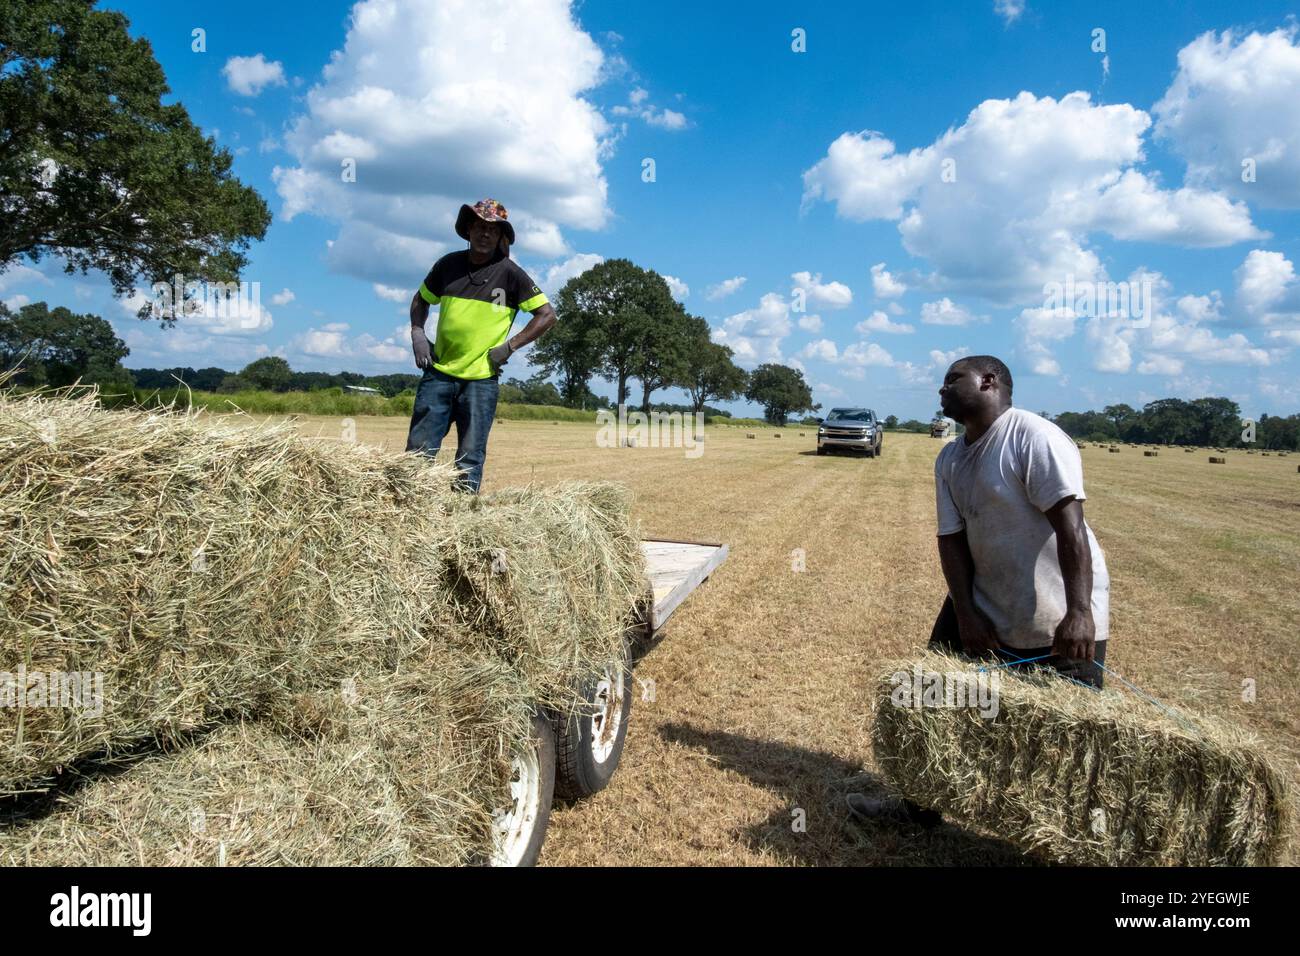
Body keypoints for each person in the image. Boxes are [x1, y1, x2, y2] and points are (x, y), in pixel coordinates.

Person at [848, 355, 1111, 826]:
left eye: (952, 380)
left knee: (1063, 741)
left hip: (1057, 613)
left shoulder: (1034, 437)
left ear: (989, 382)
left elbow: (1072, 530)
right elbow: (950, 539)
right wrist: (965, 613)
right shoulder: (950, 456)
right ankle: (916, 810)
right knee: (929, 699)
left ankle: (1063, 839)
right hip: (984, 599)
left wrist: (1079, 612)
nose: (941, 390)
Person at [405, 198, 556, 492]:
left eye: (493, 230)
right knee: (418, 456)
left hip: (481, 382)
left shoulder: (510, 274)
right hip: (438, 374)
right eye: (479, 226)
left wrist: (510, 346)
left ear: (501, 237)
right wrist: (417, 333)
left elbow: (547, 314)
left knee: (469, 459)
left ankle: (461, 521)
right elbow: (421, 299)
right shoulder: (448, 266)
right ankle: (411, 517)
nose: (485, 233)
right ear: (469, 230)